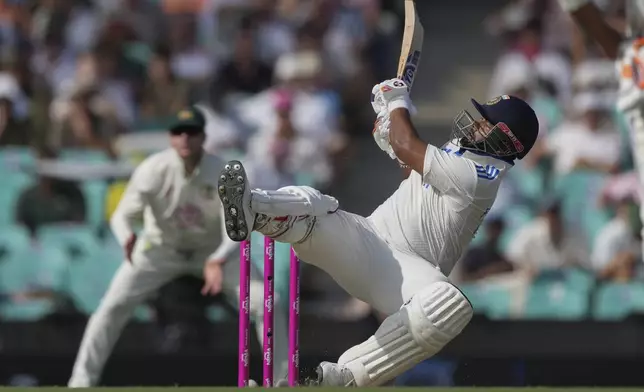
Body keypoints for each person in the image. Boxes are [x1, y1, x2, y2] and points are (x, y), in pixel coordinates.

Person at [217, 78, 539, 386]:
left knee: (448, 305)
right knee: (316, 205)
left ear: (506, 140)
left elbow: (407, 144)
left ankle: (344, 376)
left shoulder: (480, 177)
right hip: (367, 239)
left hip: (404, 275)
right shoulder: (461, 149)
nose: (475, 124)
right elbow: (410, 163)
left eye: (485, 123)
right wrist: (389, 131)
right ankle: (253, 209)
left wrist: (396, 102)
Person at [68, 107, 289, 387]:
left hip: (213, 253)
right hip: (160, 251)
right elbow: (122, 215)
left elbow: (235, 231)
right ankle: (80, 381)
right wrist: (126, 236)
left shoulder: (223, 172)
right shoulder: (152, 170)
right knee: (111, 307)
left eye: (192, 132)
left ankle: (282, 380)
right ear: (171, 138)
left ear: (203, 137)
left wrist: (218, 260)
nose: (185, 138)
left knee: (269, 302)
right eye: (178, 133)